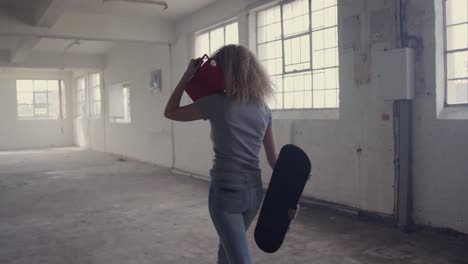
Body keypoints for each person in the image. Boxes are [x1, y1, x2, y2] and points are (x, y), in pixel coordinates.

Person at [164, 44, 298, 264]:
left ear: (228, 71)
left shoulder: (217, 103)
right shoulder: (263, 109)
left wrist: (187, 75)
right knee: (227, 253)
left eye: (217, 67)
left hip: (227, 193)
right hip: (254, 194)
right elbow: (275, 162)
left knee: (237, 258)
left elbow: (170, 112)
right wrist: (291, 197)